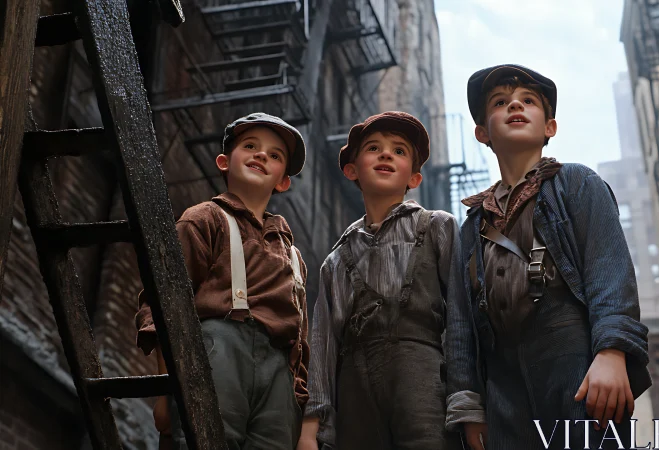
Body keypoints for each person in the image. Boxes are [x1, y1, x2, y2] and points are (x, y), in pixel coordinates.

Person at [456, 64, 652, 449]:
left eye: (528, 101)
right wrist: (469, 403)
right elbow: (460, 324)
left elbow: (608, 271)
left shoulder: (577, 183)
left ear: (550, 127)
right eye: (500, 102)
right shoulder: (471, 227)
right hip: (501, 386)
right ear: (482, 133)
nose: (515, 104)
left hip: (575, 362)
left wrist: (612, 351)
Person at [297, 111, 482, 450]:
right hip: (356, 398)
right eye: (373, 148)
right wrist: (313, 426)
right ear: (352, 170)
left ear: (414, 178)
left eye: (399, 151)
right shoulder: (335, 261)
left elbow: (460, 318)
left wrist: (466, 403)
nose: (386, 154)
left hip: (424, 388)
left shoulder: (437, 227)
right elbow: (323, 345)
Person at [135, 112, 310, 449]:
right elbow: (164, 304)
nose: (262, 155)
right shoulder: (204, 219)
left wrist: (298, 401)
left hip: (278, 378)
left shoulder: (293, 257)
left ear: (282, 181)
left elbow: (301, 344)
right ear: (224, 161)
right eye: (250, 146)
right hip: (219, 353)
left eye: (275, 155)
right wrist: (165, 389)